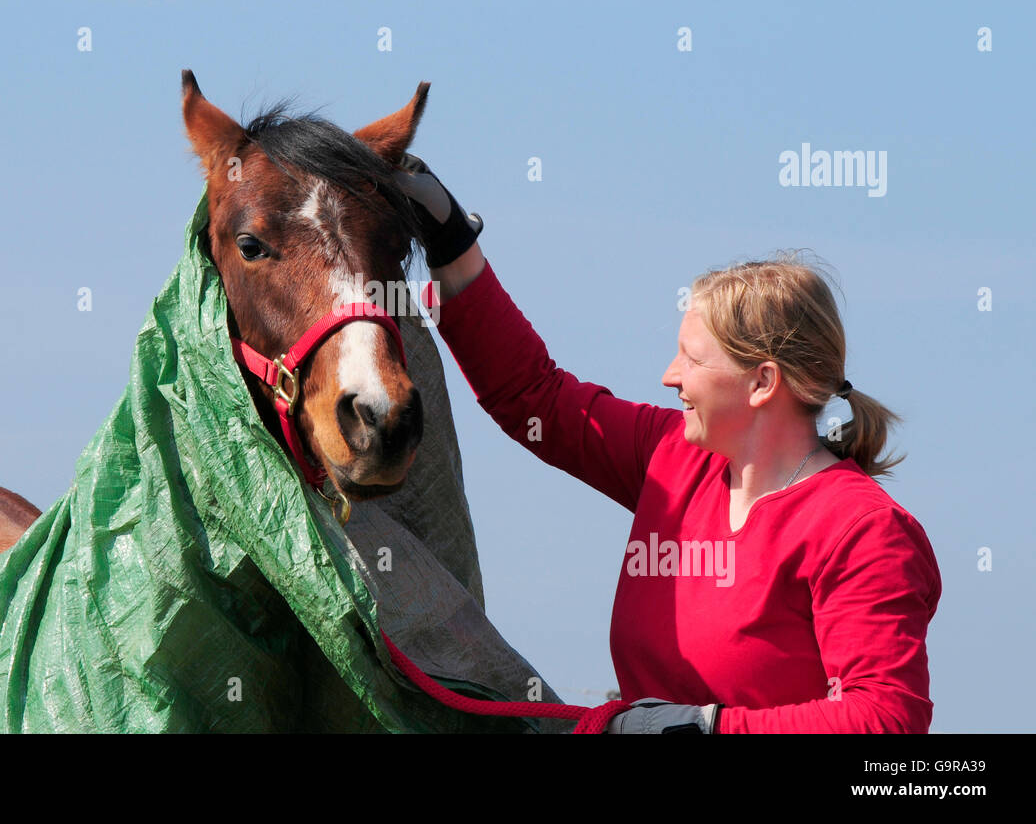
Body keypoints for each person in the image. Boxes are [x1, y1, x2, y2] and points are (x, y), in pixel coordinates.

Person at [393, 154, 942, 734]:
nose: (669, 376)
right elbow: (534, 399)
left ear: (762, 382)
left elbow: (885, 720)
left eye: (692, 358)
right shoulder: (672, 457)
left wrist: (703, 729)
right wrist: (452, 242)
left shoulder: (862, 529)